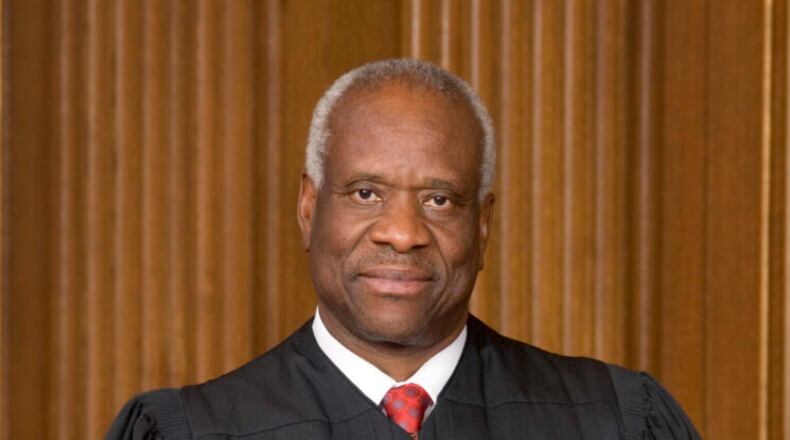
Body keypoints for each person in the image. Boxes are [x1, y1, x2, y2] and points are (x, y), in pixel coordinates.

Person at [107, 59, 700, 439]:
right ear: (309, 209)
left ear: (483, 225)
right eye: (366, 193)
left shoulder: (614, 422)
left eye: (439, 200)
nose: (402, 231)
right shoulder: (194, 431)